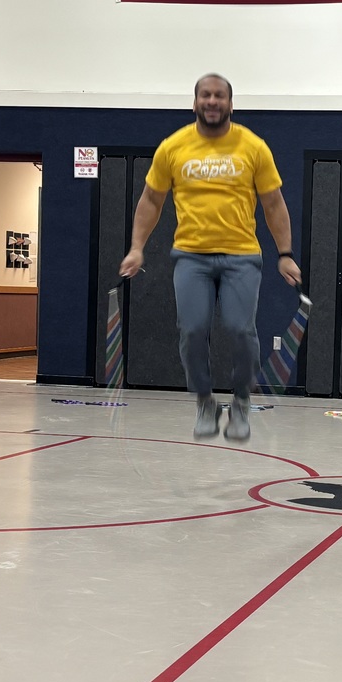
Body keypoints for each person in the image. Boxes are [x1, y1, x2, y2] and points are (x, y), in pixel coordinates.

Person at [119, 73, 301, 442]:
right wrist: (137, 247)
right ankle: (205, 402)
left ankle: (241, 402)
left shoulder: (253, 147)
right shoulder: (173, 147)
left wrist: (285, 254)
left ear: (231, 104)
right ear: (195, 102)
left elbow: (273, 203)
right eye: (206, 95)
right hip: (191, 255)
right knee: (192, 330)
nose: (212, 101)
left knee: (240, 329)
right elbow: (151, 201)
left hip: (241, 256)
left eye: (219, 96)